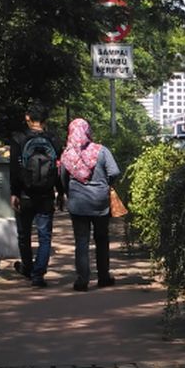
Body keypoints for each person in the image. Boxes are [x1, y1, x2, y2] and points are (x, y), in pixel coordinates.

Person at [59, 118, 120, 291]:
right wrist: (106, 184)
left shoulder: (67, 154)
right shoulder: (101, 150)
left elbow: (63, 178)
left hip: (78, 204)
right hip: (100, 202)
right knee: (101, 239)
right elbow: (114, 171)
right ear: (88, 131)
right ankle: (103, 277)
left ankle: (82, 280)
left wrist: (69, 193)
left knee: (81, 241)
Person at [9, 104, 64, 288]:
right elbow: (58, 169)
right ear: (45, 120)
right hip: (46, 195)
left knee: (24, 234)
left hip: (24, 194)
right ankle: (38, 274)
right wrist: (60, 191)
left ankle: (27, 267)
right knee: (44, 236)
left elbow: (14, 169)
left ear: (27, 117)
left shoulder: (19, 138)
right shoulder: (54, 140)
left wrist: (14, 193)